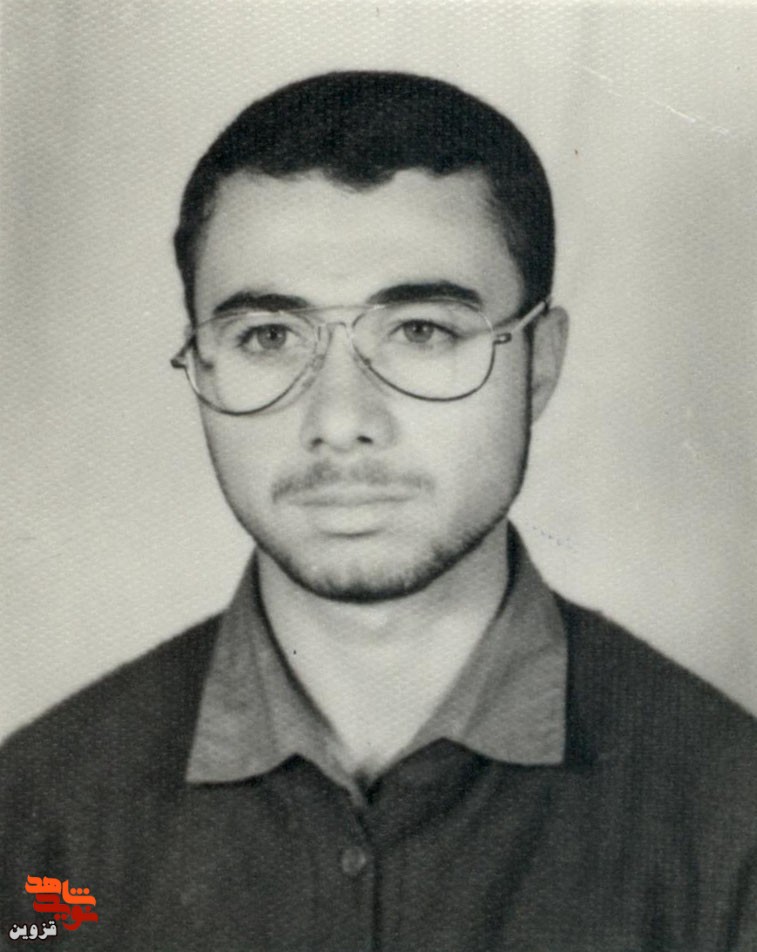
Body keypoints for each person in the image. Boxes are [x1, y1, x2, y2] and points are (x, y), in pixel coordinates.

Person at [1, 71, 755, 952]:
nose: (340, 420)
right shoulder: (35, 824)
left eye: (421, 331)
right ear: (202, 368)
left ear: (538, 365)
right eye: (268, 337)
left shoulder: (730, 821)